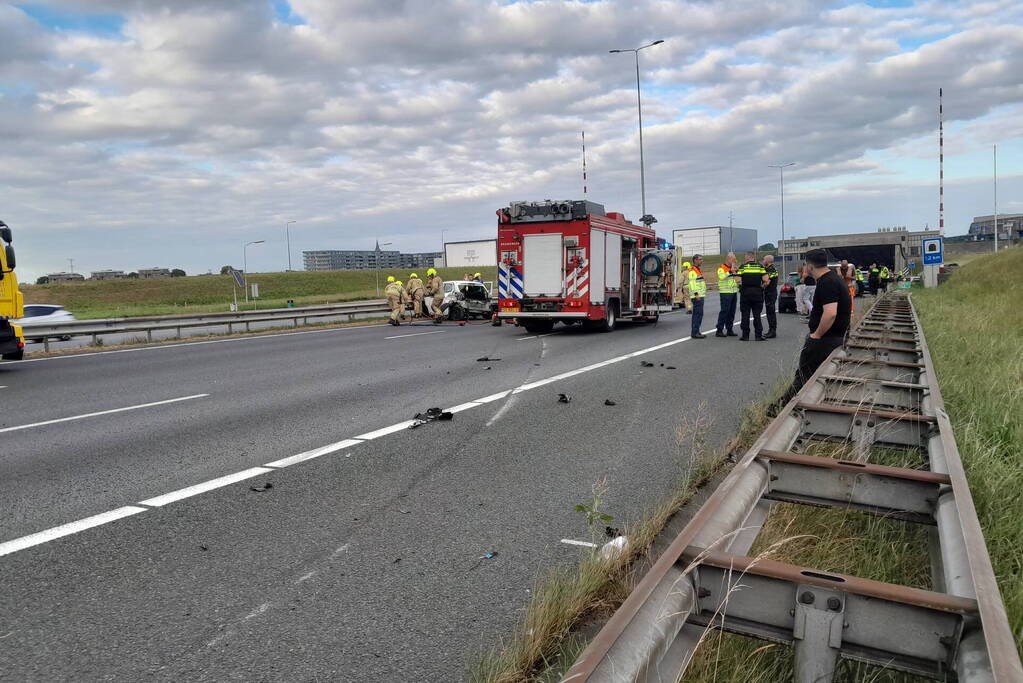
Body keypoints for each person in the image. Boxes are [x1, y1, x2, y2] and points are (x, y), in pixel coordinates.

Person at [776, 248, 851, 407]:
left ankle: (783, 408)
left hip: (825, 340)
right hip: (835, 337)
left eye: (805, 264)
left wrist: (816, 335)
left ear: (810, 266)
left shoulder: (827, 282)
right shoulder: (834, 278)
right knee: (810, 375)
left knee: (803, 375)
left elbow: (830, 313)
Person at [736, 251, 769, 341]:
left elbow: (738, 280)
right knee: (757, 315)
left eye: (745, 257)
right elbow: (766, 280)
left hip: (746, 293)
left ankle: (745, 335)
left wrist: (741, 286)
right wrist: (762, 287)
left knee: (745, 315)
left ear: (748, 257)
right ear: (753, 258)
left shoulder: (743, 267)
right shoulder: (760, 266)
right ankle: (758, 335)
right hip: (757, 293)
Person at [715, 252, 739, 337]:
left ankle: (729, 329)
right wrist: (730, 271)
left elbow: (736, 278)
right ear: (729, 259)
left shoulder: (732, 267)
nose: (735, 261)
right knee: (725, 311)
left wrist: (737, 271)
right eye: (733, 259)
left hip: (733, 291)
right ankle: (719, 329)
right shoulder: (722, 268)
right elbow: (721, 277)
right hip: (725, 293)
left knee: (732, 312)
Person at [687, 255, 707, 338]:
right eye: (700, 259)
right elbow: (692, 283)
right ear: (695, 260)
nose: (701, 261)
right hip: (697, 296)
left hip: (700, 295)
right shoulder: (693, 271)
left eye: (702, 259)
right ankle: (695, 332)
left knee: (699, 314)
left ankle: (696, 331)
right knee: (697, 314)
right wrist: (696, 294)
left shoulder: (697, 270)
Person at [762, 254, 779, 338]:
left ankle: (772, 331)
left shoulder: (771, 269)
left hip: (770, 293)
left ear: (768, 261)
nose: (763, 260)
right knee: (770, 312)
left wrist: (761, 287)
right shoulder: (771, 269)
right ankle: (771, 330)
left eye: (764, 259)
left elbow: (767, 281)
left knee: (771, 312)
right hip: (770, 292)